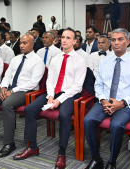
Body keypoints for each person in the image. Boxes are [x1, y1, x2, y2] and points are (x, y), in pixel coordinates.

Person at [13, 28, 86, 169]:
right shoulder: (56, 58)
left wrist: (59, 100)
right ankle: (32, 147)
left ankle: (61, 152)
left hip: (69, 94)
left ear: (75, 41)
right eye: (63, 37)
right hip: (53, 93)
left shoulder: (80, 61)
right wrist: (51, 95)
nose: (64, 40)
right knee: (29, 109)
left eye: (69, 38)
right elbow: (50, 80)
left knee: (64, 115)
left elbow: (77, 87)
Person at [0, 35, 45, 158]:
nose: (21, 45)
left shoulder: (38, 61)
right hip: (9, 88)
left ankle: (9, 143)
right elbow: (7, 76)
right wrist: (4, 87)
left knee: (7, 104)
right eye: (21, 43)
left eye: (25, 43)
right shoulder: (16, 59)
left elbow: (33, 83)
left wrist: (12, 91)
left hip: (25, 91)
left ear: (32, 45)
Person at [83, 28, 130, 169]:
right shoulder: (105, 62)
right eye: (113, 39)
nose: (116, 43)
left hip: (125, 103)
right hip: (105, 101)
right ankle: (96, 158)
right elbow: (98, 85)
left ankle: (112, 162)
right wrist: (104, 100)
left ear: (128, 42)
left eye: (120, 39)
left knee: (116, 126)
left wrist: (122, 103)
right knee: (88, 120)